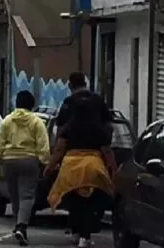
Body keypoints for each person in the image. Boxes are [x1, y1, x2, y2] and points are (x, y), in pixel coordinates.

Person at [44, 80, 117, 248]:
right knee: (96, 200)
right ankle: (86, 234)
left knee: (74, 201)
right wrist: (113, 169)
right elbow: (107, 151)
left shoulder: (68, 128)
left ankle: (76, 232)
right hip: (93, 166)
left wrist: (49, 167)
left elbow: (59, 149)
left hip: (71, 167)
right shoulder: (99, 129)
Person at [0, 90, 50, 246]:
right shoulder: (36, 122)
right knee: (27, 196)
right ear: (32, 105)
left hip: (9, 160)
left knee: (14, 195)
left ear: (16, 103)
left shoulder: (7, 121)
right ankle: (21, 226)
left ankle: (18, 223)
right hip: (29, 160)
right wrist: (44, 162)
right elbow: (43, 144)